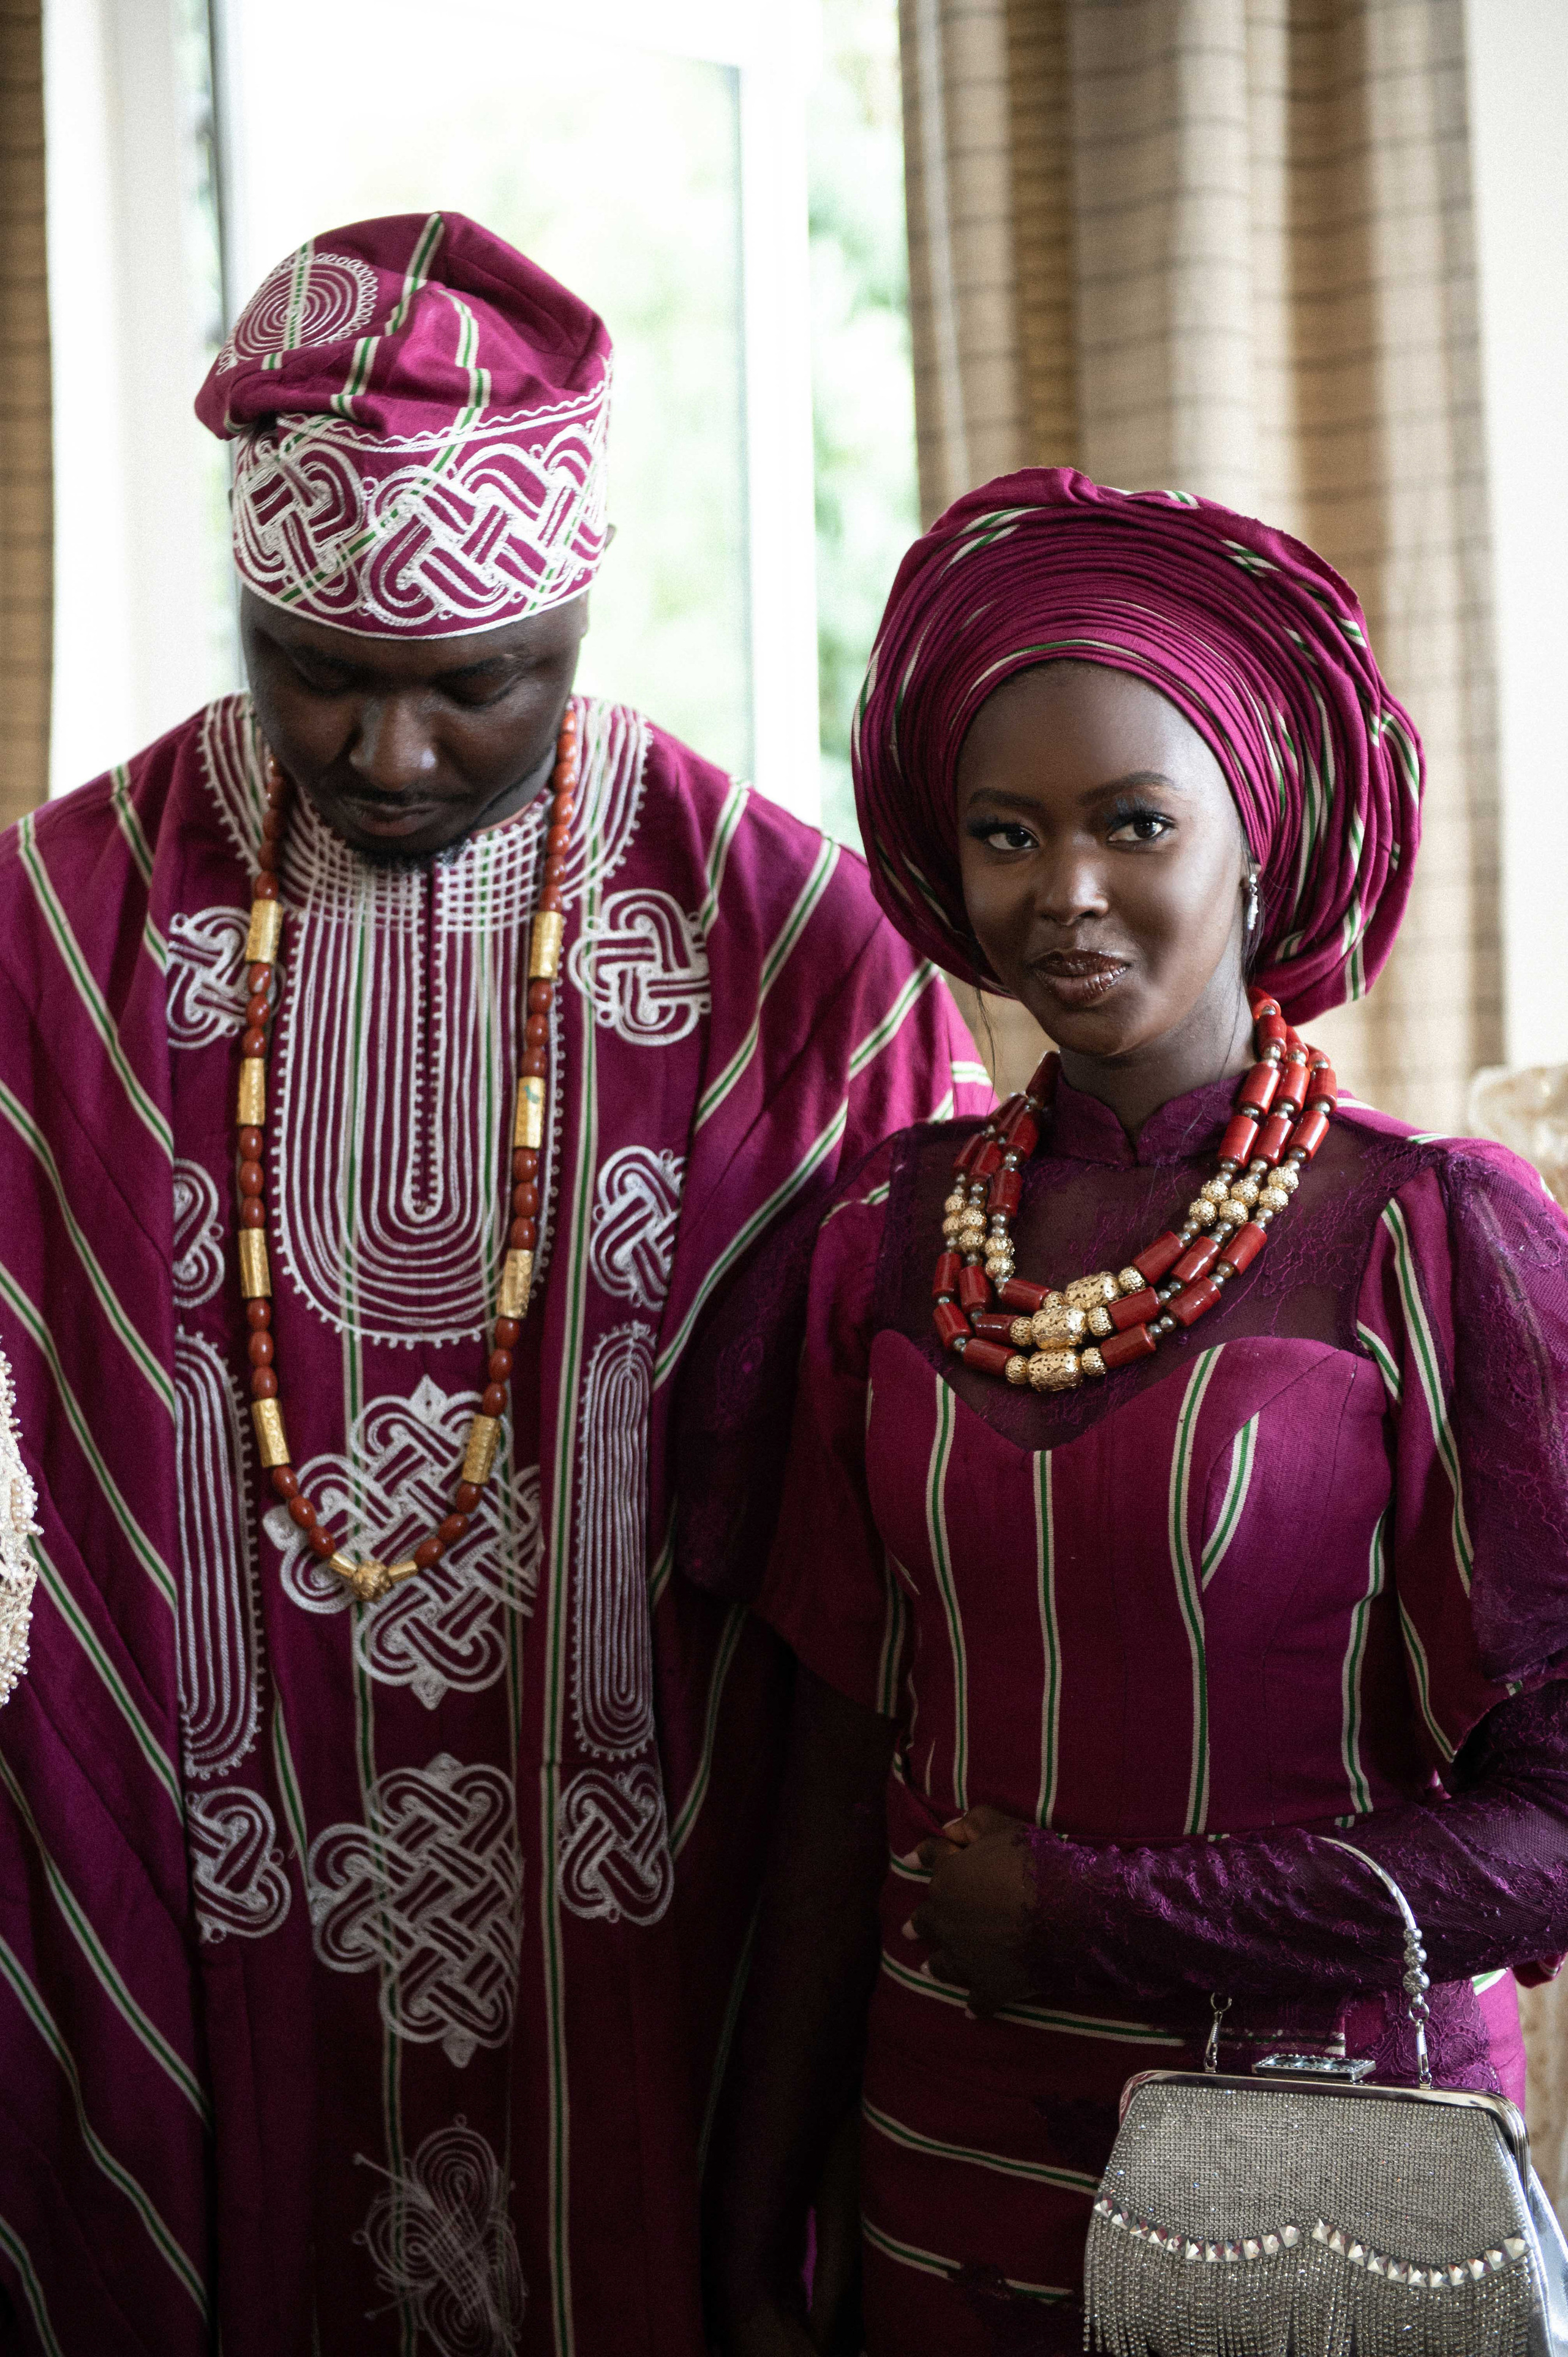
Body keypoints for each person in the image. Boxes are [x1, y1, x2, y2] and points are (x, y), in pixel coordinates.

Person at [0, 212, 990, 2357]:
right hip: (206, 1893)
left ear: (577, 611)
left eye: (478, 686)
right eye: (319, 673)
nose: (392, 755)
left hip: (664, 1914)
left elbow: (935, 1478)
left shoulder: (797, 951)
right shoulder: (61, 924)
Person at [710, 468, 1568, 2357]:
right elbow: (830, 1789)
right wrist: (749, 2226)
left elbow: (1558, 1829)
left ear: (1254, 842)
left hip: (1331, 2180)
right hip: (938, 2163)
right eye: (1006, 835)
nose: (1064, 893)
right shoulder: (880, 1238)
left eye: (1133, 823)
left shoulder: (1439, 1235)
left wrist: (1115, 1920)